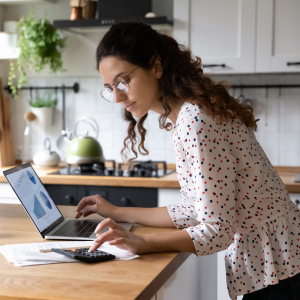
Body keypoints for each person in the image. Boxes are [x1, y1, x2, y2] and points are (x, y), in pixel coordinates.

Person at [74, 22, 300, 300]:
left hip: (282, 270)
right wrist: (117, 212)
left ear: (156, 66)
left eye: (123, 81)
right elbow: (194, 209)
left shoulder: (195, 120)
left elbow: (217, 230)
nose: (118, 96)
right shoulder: (187, 115)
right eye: (110, 87)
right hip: (277, 264)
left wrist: (142, 242)